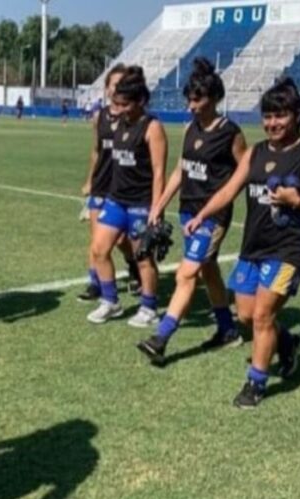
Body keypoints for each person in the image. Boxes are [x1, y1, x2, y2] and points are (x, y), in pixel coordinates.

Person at [186, 77, 300, 408]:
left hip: (288, 249)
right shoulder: (255, 152)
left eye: (280, 116)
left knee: (262, 316)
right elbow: (229, 190)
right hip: (252, 247)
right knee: (245, 315)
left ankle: (255, 384)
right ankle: (286, 344)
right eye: (268, 116)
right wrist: (202, 215)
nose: (272, 123)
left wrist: (297, 201)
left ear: (297, 115)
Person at [137, 57, 248, 363]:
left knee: (187, 274)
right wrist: (159, 206)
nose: (191, 106)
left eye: (197, 100)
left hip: (212, 217)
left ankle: (161, 337)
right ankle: (227, 330)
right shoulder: (190, 128)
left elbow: (245, 173)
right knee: (208, 270)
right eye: (189, 100)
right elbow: (180, 171)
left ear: (214, 99)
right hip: (188, 213)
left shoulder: (231, 133)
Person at [86, 66, 167, 328]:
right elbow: (100, 150)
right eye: (115, 104)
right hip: (116, 200)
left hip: (141, 204)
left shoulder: (152, 127)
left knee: (143, 258)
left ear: (140, 101)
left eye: (123, 105)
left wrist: (157, 209)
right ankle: (110, 301)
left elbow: (158, 172)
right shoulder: (116, 121)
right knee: (99, 250)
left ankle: (149, 307)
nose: (118, 109)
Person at [78, 64, 142, 303]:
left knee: (123, 240)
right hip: (101, 184)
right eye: (113, 85)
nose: (116, 89)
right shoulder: (99, 117)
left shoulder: (131, 120)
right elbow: (96, 151)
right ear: (106, 90)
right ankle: (95, 282)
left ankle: (134, 264)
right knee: (97, 238)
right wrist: (89, 180)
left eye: (121, 85)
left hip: (122, 188)